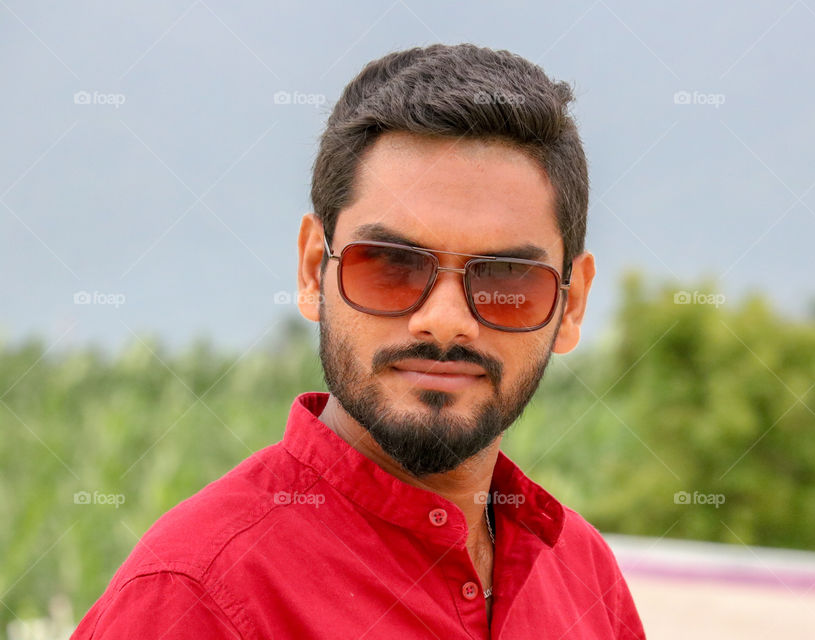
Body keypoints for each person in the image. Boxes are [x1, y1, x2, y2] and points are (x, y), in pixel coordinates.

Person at [72, 43, 646, 639]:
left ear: (571, 303)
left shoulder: (582, 574)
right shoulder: (196, 597)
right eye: (392, 263)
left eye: (506, 275)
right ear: (311, 270)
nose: (445, 320)